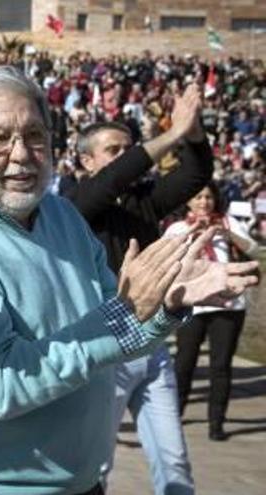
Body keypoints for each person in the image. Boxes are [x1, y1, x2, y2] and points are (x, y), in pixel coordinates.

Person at [0, 66, 259, 495]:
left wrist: (166, 303)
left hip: (84, 483)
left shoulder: (60, 214)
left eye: (35, 135)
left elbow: (122, 338)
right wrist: (125, 315)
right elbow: (4, 385)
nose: (21, 153)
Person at [66, 86, 213, 494]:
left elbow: (196, 175)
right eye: (113, 150)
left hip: (153, 349)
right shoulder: (72, 204)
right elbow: (111, 180)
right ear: (86, 160)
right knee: (95, 465)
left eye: (128, 149)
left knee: (174, 461)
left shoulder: (142, 203)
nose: (125, 158)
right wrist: (170, 135)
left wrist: (194, 133)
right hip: (105, 351)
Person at [165, 182, 259, 441]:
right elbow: (165, 256)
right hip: (191, 306)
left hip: (229, 305)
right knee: (184, 363)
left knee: (221, 366)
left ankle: (216, 422)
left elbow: (253, 249)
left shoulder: (228, 223)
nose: (204, 202)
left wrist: (226, 234)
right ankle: (174, 414)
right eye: (198, 197)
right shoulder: (179, 227)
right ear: (188, 201)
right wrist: (193, 234)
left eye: (208, 197)